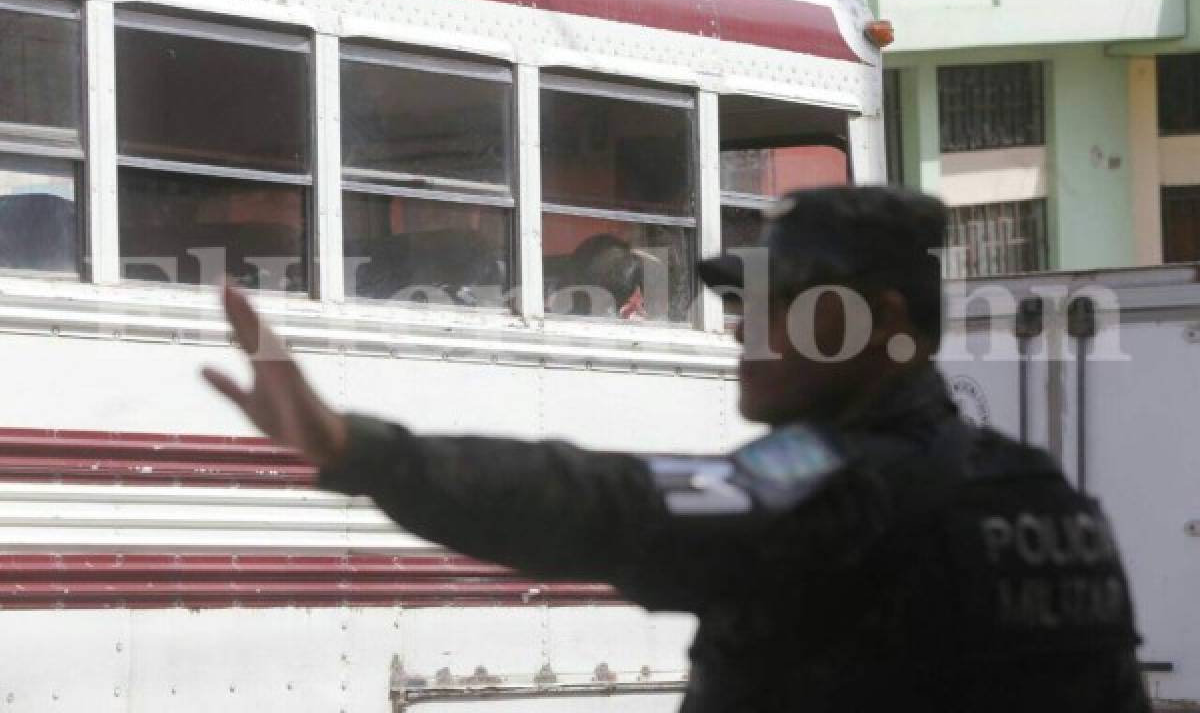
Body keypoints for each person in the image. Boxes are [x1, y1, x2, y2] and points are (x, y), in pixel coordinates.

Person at [204, 186, 1150, 713]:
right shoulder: (1039, 497)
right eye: (742, 303)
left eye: (779, 303)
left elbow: (606, 504)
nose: (747, 328)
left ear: (884, 322)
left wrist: (361, 451)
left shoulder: (840, 489)